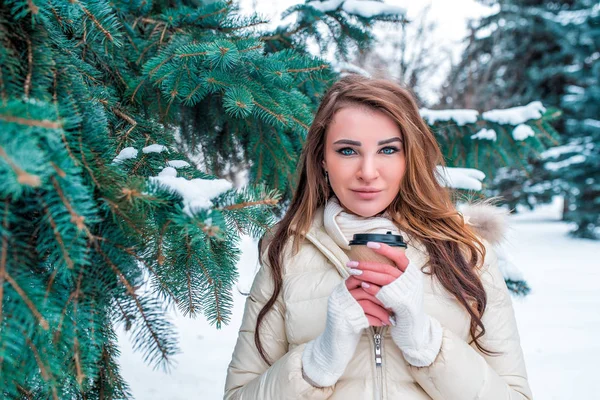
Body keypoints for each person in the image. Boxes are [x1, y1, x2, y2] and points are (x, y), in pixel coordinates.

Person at [223, 75, 533, 399]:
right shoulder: (285, 254)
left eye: (387, 149)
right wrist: (317, 363)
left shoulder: (467, 252)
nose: (368, 172)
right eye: (347, 150)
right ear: (322, 160)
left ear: (408, 158)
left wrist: (427, 344)